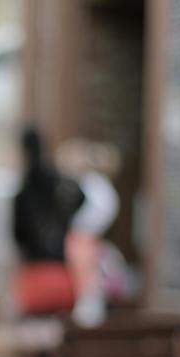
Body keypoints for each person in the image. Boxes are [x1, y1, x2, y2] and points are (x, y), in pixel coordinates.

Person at [11, 128, 86, 316]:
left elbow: (17, 236)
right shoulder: (58, 183)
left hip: (35, 274)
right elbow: (81, 197)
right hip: (63, 274)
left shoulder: (25, 192)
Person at [55, 139, 122, 328]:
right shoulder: (94, 186)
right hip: (85, 237)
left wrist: (82, 231)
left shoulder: (92, 186)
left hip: (84, 236)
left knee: (86, 278)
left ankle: (88, 310)